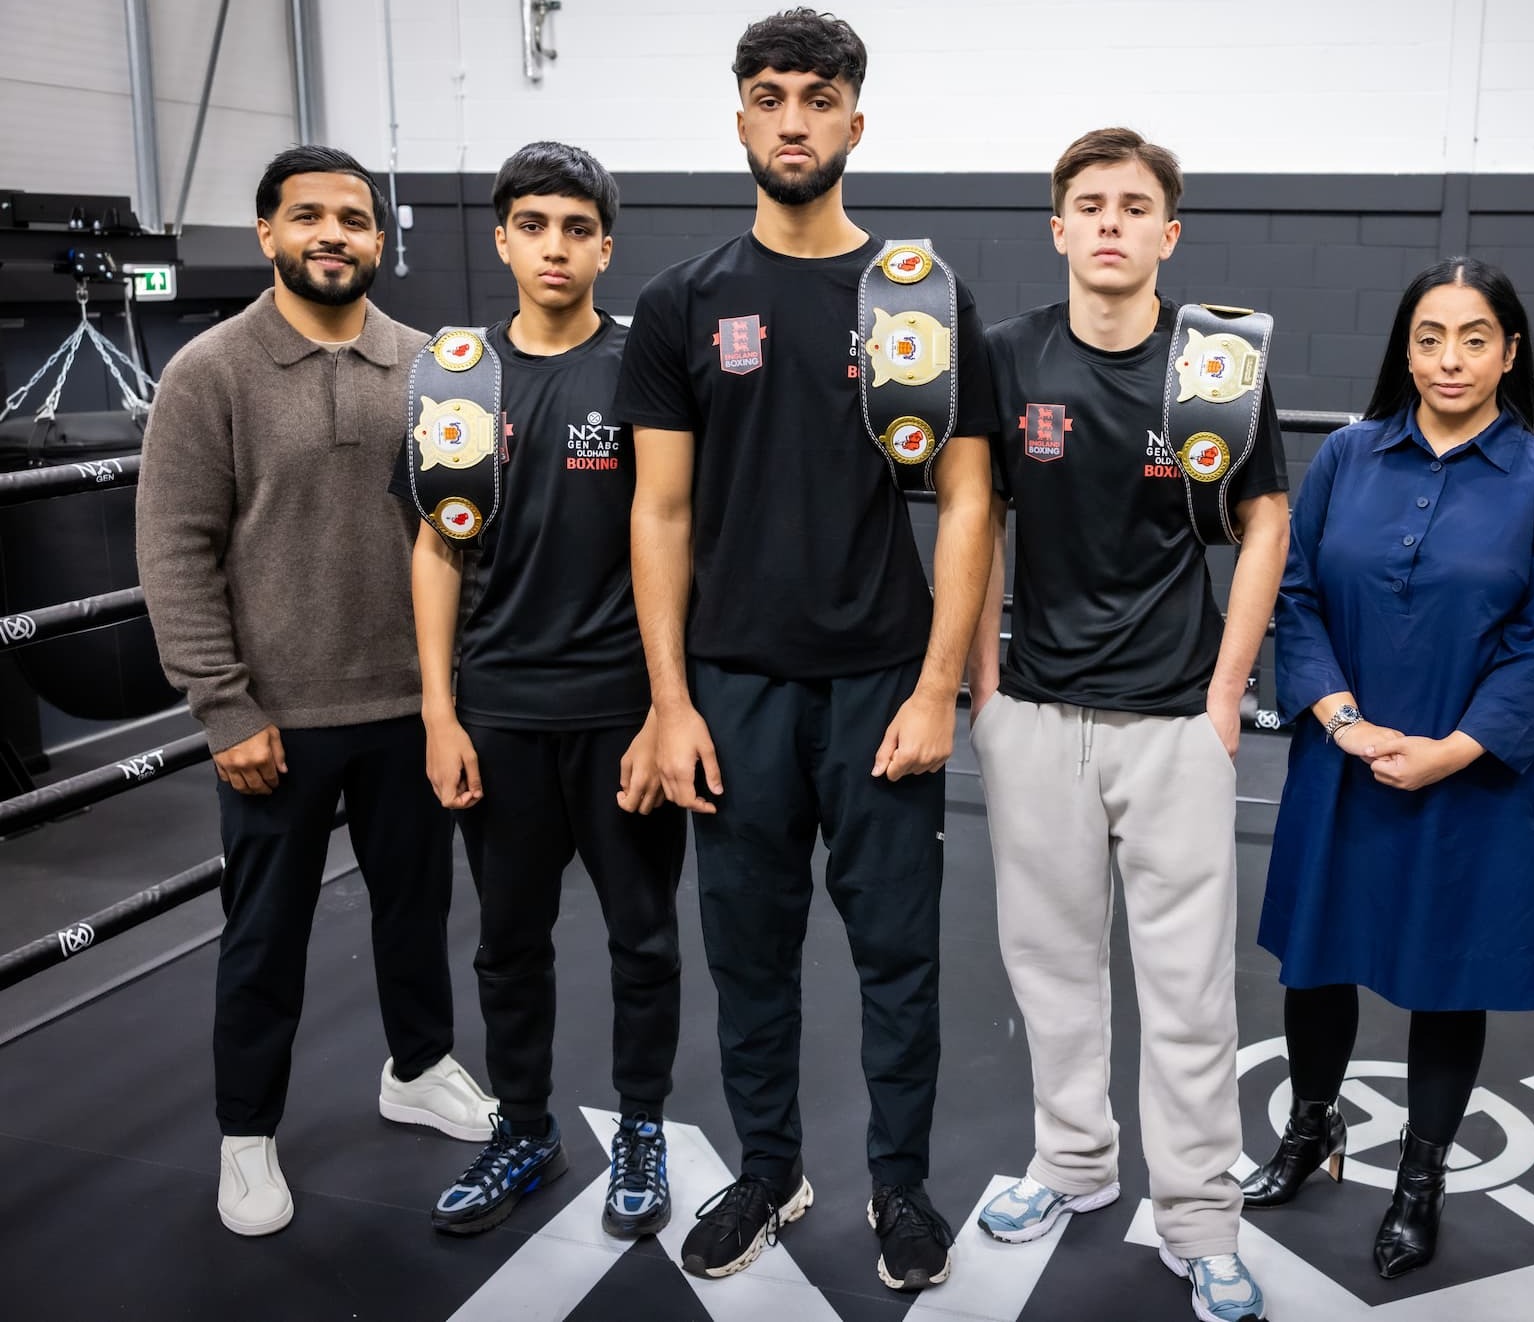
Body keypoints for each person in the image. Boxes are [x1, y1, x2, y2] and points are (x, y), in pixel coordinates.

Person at [612, 8, 997, 1294]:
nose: (792, 118)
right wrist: (667, 701)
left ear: (854, 121)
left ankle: (899, 1185)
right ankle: (770, 1168)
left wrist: (941, 684)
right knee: (749, 954)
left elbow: (967, 504)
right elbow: (657, 512)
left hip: (885, 684)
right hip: (731, 691)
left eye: (816, 98)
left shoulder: (922, 298)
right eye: (769, 96)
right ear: (739, 118)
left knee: (898, 959)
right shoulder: (683, 302)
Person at [135, 145, 495, 1238]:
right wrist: (224, 706)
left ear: (381, 241)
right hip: (275, 719)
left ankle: (419, 1064)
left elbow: (463, 535)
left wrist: (454, 692)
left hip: (410, 703)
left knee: (416, 911)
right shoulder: (210, 371)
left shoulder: (437, 364)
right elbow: (175, 549)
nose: (333, 234)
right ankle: (247, 1136)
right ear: (268, 235)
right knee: (264, 937)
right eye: (308, 218)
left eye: (353, 218)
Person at [968, 128, 1289, 1322]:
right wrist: (976, 681)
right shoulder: (1002, 358)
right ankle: (1072, 1161)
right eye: (1087, 204)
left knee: (1188, 988)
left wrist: (1223, 692)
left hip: (1171, 724)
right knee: (1049, 966)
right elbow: (971, 514)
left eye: (1133, 204)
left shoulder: (1213, 365)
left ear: (1169, 232)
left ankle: (1200, 1217)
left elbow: (1264, 521)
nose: (1108, 221)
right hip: (1036, 712)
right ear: (1056, 229)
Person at [1244, 257, 1534, 1281]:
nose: (1449, 357)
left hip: (1467, 768)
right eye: (1430, 335)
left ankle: (1420, 1178)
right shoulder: (1348, 457)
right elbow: (1295, 593)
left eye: (1473, 336)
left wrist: (1452, 748)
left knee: (1445, 975)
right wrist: (1341, 719)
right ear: (1403, 346)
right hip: (1339, 754)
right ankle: (1312, 1131)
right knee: (1316, 956)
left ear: (1508, 352)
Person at [393, 142, 688, 1240]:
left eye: (576, 227)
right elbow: (434, 547)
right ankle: (523, 1126)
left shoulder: (643, 366)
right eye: (533, 225)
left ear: (605, 244)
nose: (554, 246)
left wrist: (669, 706)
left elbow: (678, 531)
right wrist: (437, 708)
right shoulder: (455, 371)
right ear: (502, 237)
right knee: (507, 940)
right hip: (499, 713)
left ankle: (643, 1126)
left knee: (642, 937)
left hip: (620, 710)